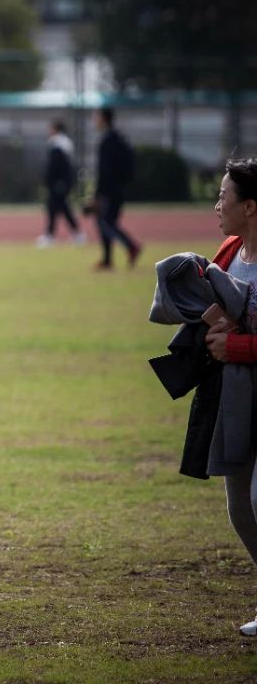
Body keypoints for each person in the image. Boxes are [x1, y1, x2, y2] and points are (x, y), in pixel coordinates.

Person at [200, 159, 257, 636]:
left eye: (225, 196)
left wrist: (236, 345)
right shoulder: (231, 250)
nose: (218, 203)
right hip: (239, 395)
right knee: (239, 506)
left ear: (251, 207)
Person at [89, 107, 141, 270]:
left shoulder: (107, 140)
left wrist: (97, 194)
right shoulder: (119, 138)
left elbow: (105, 170)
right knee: (104, 221)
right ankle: (107, 260)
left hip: (109, 190)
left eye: (96, 117)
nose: (94, 120)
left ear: (103, 118)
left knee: (106, 222)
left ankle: (131, 246)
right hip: (118, 188)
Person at [36, 120, 83, 248]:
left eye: (50, 128)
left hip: (59, 182)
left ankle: (50, 236)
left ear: (56, 129)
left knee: (54, 207)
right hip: (62, 182)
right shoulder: (65, 143)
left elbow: (57, 166)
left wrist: (52, 180)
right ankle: (77, 234)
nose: (48, 131)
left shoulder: (58, 143)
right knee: (62, 207)